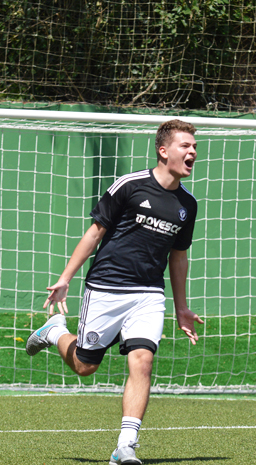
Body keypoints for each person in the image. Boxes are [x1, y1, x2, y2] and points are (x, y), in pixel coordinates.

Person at [26, 119, 204, 465]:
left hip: (149, 295)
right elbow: (94, 233)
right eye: (185, 146)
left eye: (194, 147)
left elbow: (178, 255)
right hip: (106, 288)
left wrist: (181, 306)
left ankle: (126, 446)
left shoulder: (188, 205)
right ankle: (55, 332)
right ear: (163, 150)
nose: (193, 152)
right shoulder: (130, 185)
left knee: (143, 361)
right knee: (84, 367)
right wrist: (66, 277)